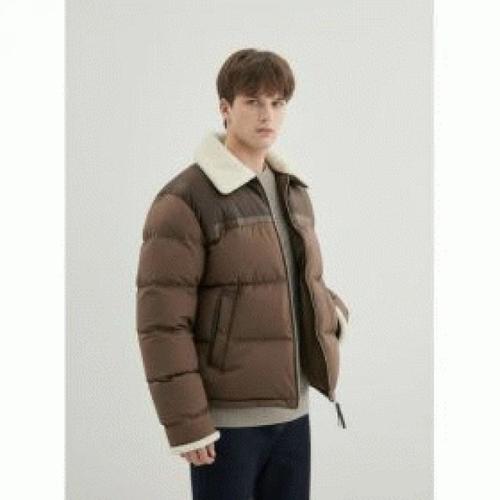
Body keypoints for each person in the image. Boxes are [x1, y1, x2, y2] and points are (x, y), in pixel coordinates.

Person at [135, 48, 350, 500]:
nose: (267, 114)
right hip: (226, 425)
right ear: (225, 108)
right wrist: (188, 424)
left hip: (293, 414)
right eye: (252, 101)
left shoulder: (292, 190)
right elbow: (162, 323)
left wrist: (331, 317)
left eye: (277, 102)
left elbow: (297, 281)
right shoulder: (185, 200)